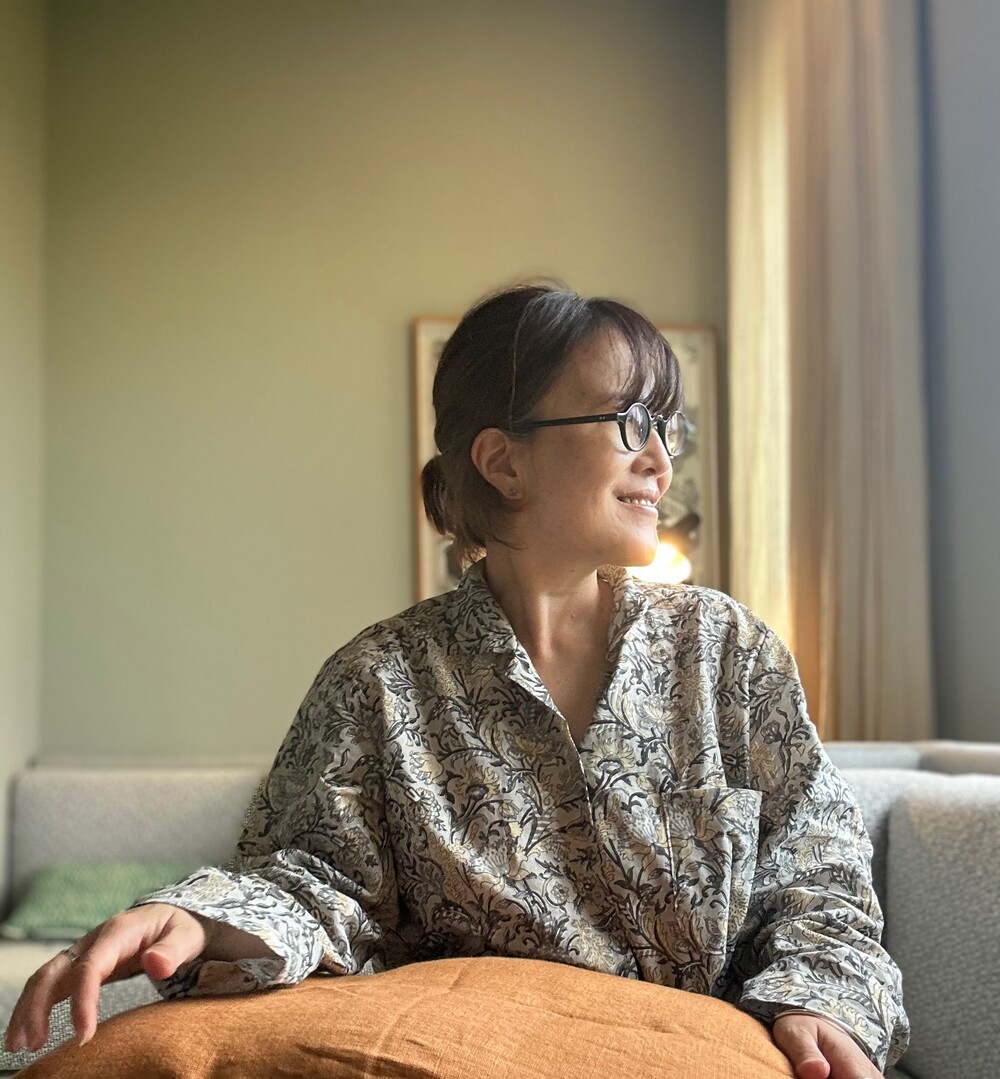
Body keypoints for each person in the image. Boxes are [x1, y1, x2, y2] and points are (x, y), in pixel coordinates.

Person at [5, 284, 908, 1078]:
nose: (660, 459)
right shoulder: (375, 681)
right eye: (629, 422)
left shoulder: (727, 652)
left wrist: (818, 1003)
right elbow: (314, 885)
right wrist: (199, 918)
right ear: (504, 460)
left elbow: (820, 881)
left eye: (666, 426)